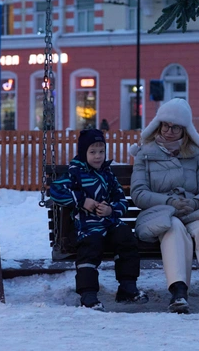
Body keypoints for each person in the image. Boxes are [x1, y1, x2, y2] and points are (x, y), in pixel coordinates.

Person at [130, 98, 199, 313]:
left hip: (193, 212)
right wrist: (169, 201)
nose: (170, 130)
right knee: (173, 229)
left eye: (176, 127)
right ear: (158, 125)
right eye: (166, 125)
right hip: (159, 214)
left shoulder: (194, 156)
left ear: (185, 130)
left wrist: (195, 202)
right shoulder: (144, 155)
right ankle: (178, 291)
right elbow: (138, 193)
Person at [50, 129, 148, 311]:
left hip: (109, 223)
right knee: (91, 244)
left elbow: (122, 201)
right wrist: (81, 201)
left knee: (125, 236)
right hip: (87, 226)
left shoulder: (108, 175)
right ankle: (88, 294)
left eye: (101, 151)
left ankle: (127, 287)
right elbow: (55, 191)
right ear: (83, 153)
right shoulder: (75, 173)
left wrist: (111, 209)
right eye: (92, 152)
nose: (97, 156)